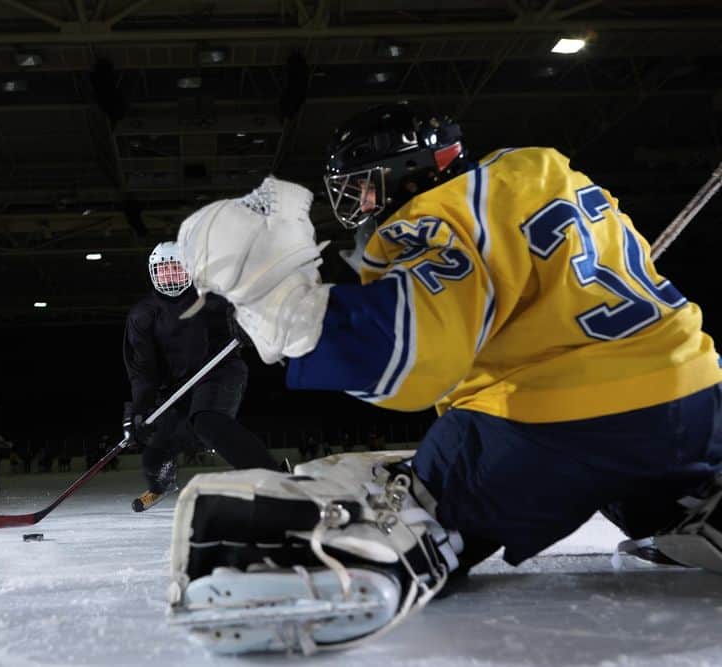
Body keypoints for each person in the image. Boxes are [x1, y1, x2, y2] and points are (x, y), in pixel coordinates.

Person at [165, 104, 722, 654]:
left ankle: (377, 553)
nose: (360, 204)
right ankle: (692, 502)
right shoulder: (541, 170)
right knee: (646, 481)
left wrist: (287, 308)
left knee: (413, 496)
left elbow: (415, 361)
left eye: (364, 186)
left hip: (557, 423)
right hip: (696, 395)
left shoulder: (432, 215)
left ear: (410, 170)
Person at [122, 241, 282, 512]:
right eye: (164, 270)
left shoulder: (213, 298)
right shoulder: (143, 315)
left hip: (218, 372)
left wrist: (247, 325)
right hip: (177, 388)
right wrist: (138, 410)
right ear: (153, 273)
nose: (170, 276)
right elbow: (142, 371)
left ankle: (274, 478)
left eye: (177, 268)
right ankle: (161, 484)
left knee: (208, 423)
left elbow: (250, 310)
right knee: (153, 454)